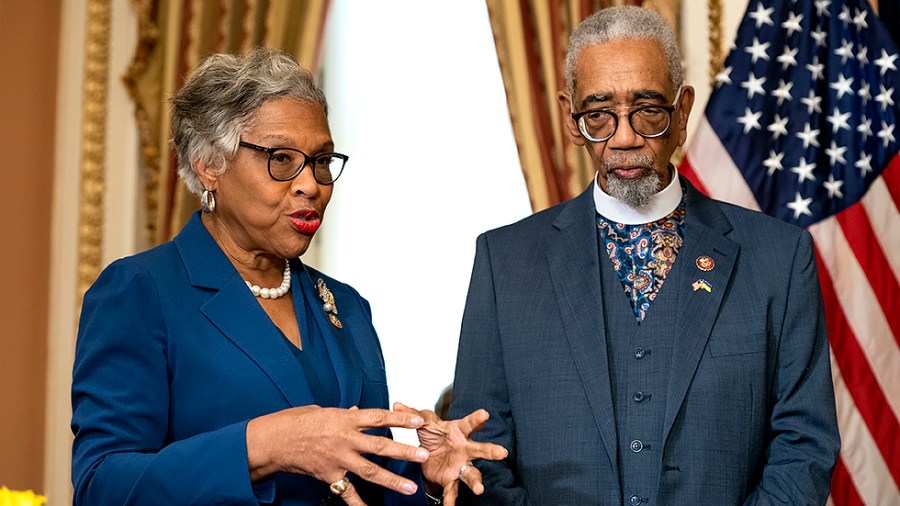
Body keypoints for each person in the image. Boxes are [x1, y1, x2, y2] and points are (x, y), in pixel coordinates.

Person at [71, 47, 506, 506]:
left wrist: (428, 476)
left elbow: (359, 483)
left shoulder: (346, 306)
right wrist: (265, 445)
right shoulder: (140, 292)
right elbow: (103, 486)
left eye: (321, 161)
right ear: (209, 165)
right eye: (281, 159)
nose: (311, 185)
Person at [449, 6, 840, 505]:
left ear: (681, 112)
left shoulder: (780, 260)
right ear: (572, 119)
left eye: (648, 110)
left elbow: (804, 447)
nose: (625, 137)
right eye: (599, 114)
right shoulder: (503, 263)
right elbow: (481, 450)